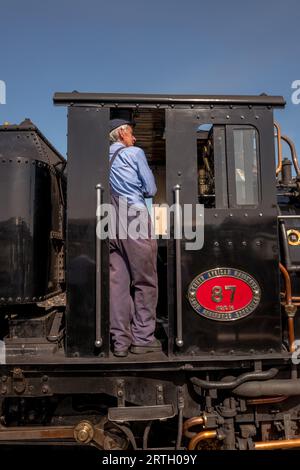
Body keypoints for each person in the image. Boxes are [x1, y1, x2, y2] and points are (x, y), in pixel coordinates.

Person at [109, 119, 161, 357]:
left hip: (108, 219)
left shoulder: (102, 157)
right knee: (145, 281)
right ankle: (142, 338)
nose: (135, 138)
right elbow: (151, 190)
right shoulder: (134, 153)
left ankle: (120, 342)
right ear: (121, 133)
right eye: (131, 133)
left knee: (117, 284)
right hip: (134, 216)